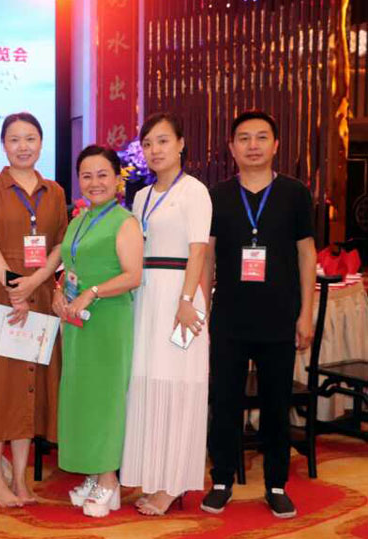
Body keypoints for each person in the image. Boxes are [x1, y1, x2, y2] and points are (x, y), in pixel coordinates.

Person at [201, 110, 316, 519]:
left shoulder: (295, 193)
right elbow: (207, 257)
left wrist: (306, 314)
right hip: (229, 318)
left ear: (275, 144)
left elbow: (307, 255)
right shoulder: (216, 196)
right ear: (231, 148)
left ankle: (276, 484)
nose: (253, 145)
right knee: (224, 402)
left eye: (261, 137)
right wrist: (203, 311)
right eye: (244, 138)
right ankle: (221, 481)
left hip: (279, 317)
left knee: (275, 404)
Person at [0, 112, 68, 507]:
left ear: (41, 143)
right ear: (3, 145)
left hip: (37, 294)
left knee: (29, 386)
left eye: (30, 138)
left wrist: (36, 280)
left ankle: (21, 479)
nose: (23, 146)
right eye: (14, 139)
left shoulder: (54, 191)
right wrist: (13, 282)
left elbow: (59, 245)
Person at [120, 112, 213, 515]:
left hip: (180, 297)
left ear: (180, 144)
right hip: (146, 295)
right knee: (147, 382)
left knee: (178, 385)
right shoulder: (141, 196)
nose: (154, 150)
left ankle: (173, 484)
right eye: (148, 144)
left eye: (162, 141)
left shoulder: (194, 191)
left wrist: (187, 299)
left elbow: (198, 251)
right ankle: (154, 475)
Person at [53, 145, 143, 517]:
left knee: (105, 398)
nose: (95, 182)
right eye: (87, 176)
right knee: (83, 398)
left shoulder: (124, 221)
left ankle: (109, 479)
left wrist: (92, 292)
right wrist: (59, 292)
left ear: (117, 178)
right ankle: (93, 473)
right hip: (77, 322)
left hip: (107, 320)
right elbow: (70, 265)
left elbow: (133, 276)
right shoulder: (80, 219)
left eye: (103, 174)